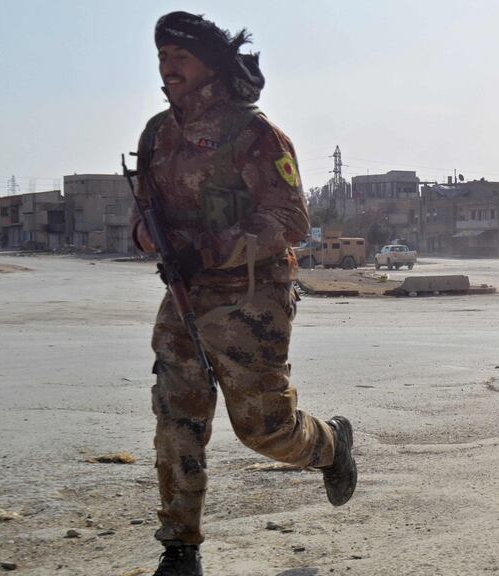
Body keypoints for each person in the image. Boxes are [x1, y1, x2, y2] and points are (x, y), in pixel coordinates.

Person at [130, 12, 357, 575]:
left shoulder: (254, 134)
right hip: (184, 297)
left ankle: (330, 444)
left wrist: (208, 249)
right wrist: (146, 236)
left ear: (211, 63)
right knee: (176, 419)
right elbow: (145, 214)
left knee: (264, 430)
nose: (167, 66)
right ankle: (180, 549)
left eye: (179, 56)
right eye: (162, 56)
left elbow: (289, 219)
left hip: (251, 299)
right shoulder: (158, 134)